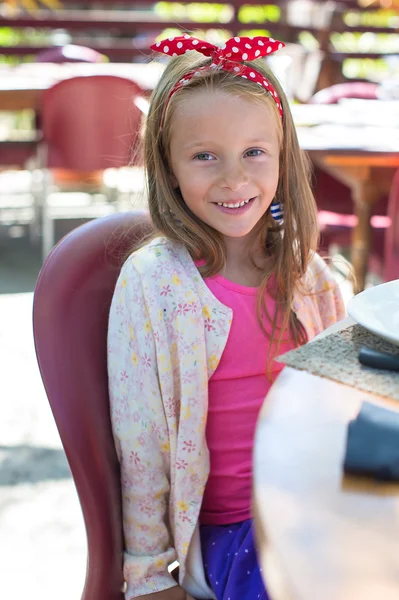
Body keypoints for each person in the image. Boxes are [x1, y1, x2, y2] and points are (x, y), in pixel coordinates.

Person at [107, 34, 346, 600]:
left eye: (254, 152)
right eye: (205, 155)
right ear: (168, 166)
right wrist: (147, 576)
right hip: (237, 536)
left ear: (283, 154)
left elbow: (347, 412)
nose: (234, 180)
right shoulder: (154, 285)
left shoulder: (311, 278)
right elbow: (140, 446)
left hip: (320, 511)